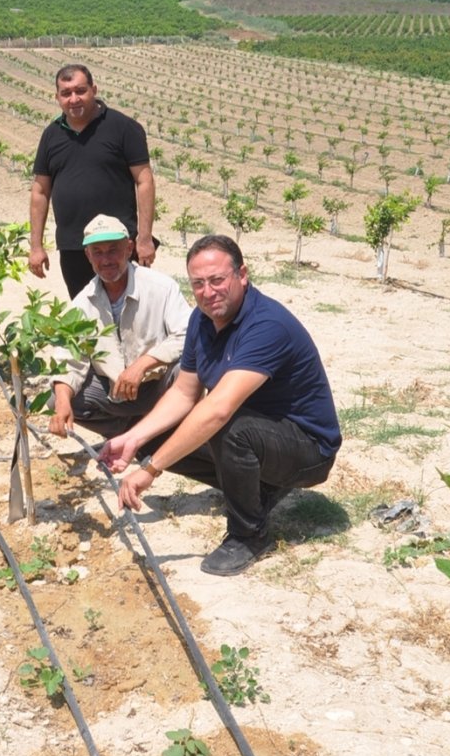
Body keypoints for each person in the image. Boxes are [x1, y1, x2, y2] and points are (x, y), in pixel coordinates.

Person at [101, 235, 341, 577]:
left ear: (242, 275)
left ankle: (249, 535)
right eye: (198, 283)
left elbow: (217, 409)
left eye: (217, 280)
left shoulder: (266, 325)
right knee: (158, 436)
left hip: (307, 448)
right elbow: (185, 393)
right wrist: (135, 439)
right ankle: (258, 487)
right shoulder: (202, 320)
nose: (208, 292)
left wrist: (151, 471)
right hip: (261, 432)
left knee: (225, 426)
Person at [49, 214, 190, 441]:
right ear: (88, 255)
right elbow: (69, 359)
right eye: (98, 252)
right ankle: (128, 432)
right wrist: (62, 403)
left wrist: (142, 365)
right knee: (60, 396)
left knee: (187, 370)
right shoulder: (83, 303)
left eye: (113, 249)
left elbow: (188, 334)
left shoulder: (160, 288)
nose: (106, 260)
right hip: (116, 394)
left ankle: (171, 430)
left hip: (157, 386)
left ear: (129, 248)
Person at [29, 64, 156, 298]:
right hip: (74, 247)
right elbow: (40, 191)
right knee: (85, 314)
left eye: (80, 91)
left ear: (94, 90)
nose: (74, 99)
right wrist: (36, 246)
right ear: (57, 97)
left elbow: (144, 181)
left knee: (128, 309)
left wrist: (144, 238)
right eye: (66, 93)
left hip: (117, 243)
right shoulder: (51, 135)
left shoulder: (124, 128)